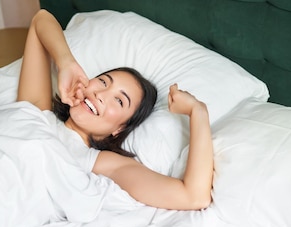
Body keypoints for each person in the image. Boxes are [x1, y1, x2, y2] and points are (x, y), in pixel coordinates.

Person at [17, 9, 214, 210]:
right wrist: (66, 62)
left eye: (119, 101)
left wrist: (198, 111)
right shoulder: (37, 113)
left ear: (119, 129)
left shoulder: (100, 162)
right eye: (103, 81)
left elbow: (193, 197)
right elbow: (41, 19)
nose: (101, 94)